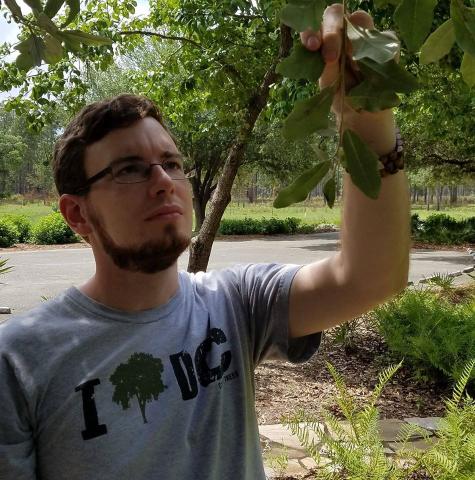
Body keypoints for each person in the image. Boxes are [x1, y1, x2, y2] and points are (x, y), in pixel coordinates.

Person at [0, 5, 410, 479]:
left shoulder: (235, 304)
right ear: (77, 214)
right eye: (130, 169)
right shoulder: (20, 361)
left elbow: (370, 277)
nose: (164, 182)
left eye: (171, 163)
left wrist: (369, 123)